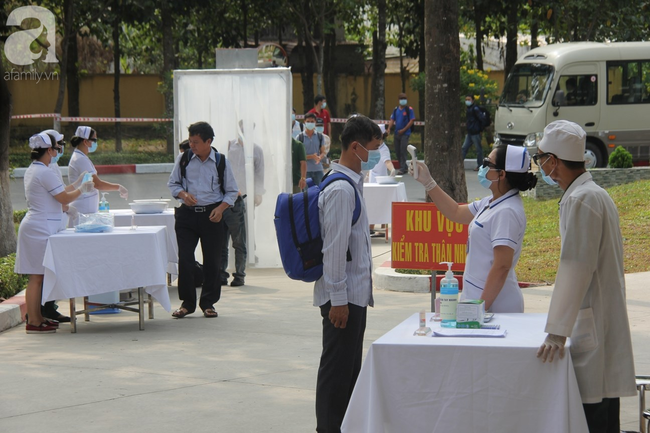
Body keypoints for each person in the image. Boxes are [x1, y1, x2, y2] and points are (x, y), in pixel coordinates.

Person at [534, 120, 636, 432]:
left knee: (595, 417)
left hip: (592, 327)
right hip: (597, 321)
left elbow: (575, 266)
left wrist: (557, 330)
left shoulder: (583, 199)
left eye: (541, 159)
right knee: (602, 413)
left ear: (554, 162)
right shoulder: (590, 194)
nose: (540, 165)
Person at [314, 114, 382, 433]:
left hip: (354, 297)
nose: (376, 155)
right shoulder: (341, 190)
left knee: (348, 373)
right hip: (343, 299)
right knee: (336, 376)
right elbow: (334, 251)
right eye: (374, 148)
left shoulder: (351, 184)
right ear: (355, 147)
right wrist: (338, 300)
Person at [410, 144, 537, 312]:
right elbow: (455, 212)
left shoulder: (507, 211)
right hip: (479, 299)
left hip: (495, 305)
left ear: (502, 174)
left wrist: (479, 308)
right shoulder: (491, 202)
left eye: (488, 163)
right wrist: (428, 182)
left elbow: (502, 266)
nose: (483, 167)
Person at [15, 132, 94, 333]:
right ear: (49, 150)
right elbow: (63, 199)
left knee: (39, 277)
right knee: (36, 278)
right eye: (57, 147)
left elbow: (59, 192)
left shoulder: (37, 169)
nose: (59, 150)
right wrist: (83, 189)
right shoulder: (45, 172)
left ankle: (37, 316)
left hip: (39, 227)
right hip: (38, 229)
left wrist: (77, 184)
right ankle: (33, 321)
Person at [167, 121, 239, 318]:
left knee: (212, 262)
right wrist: (183, 194)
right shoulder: (184, 159)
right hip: (187, 216)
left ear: (209, 141)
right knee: (186, 260)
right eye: (190, 141)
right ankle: (187, 304)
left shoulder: (221, 162)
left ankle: (208, 303)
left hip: (212, 216)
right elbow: (172, 184)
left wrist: (221, 208)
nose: (192, 145)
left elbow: (232, 191)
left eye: (196, 142)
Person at [220, 121, 265, 287]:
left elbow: (260, 173)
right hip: (226, 197)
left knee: (242, 233)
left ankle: (241, 270)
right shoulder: (229, 146)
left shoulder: (256, 150)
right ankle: (223, 271)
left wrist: (258, 193)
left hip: (245, 196)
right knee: (223, 237)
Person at [68, 126, 128, 214]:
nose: (96, 143)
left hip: (85, 210)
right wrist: (119, 187)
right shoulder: (80, 159)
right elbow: (97, 184)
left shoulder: (81, 157)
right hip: (83, 211)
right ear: (85, 141)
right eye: (94, 140)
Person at [367, 124, 396, 237]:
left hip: (379, 182)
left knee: (374, 204)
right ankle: (370, 228)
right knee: (370, 203)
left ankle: (371, 228)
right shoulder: (372, 147)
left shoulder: (383, 149)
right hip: (371, 178)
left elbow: (387, 162)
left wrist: (392, 170)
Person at [387, 92, 415, 174]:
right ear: (399, 100)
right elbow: (392, 119)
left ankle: (402, 168)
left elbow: (412, 120)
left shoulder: (409, 109)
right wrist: (389, 128)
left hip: (405, 133)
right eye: (402, 99)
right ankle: (404, 167)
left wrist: (404, 130)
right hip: (397, 133)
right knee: (397, 150)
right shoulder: (396, 110)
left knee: (403, 150)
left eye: (405, 99)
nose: (403, 100)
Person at [299, 113, 326, 186]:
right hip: (305, 171)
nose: (310, 123)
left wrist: (319, 157)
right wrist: (311, 156)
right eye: (308, 121)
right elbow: (298, 156)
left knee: (320, 192)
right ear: (304, 122)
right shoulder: (300, 137)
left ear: (315, 123)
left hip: (318, 170)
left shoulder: (320, 136)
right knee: (306, 194)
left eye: (312, 122)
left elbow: (323, 152)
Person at [461, 95, 484, 171]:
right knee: (464, 148)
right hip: (470, 132)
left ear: (473, 100)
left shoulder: (475, 109)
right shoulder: (469, 109)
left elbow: (482, 119)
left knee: (478, 150)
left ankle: (480, 165)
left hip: (475, 132)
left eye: (469, 99)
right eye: (466, 99)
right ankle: (459, 164)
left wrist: (479, 129)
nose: (467, 101)